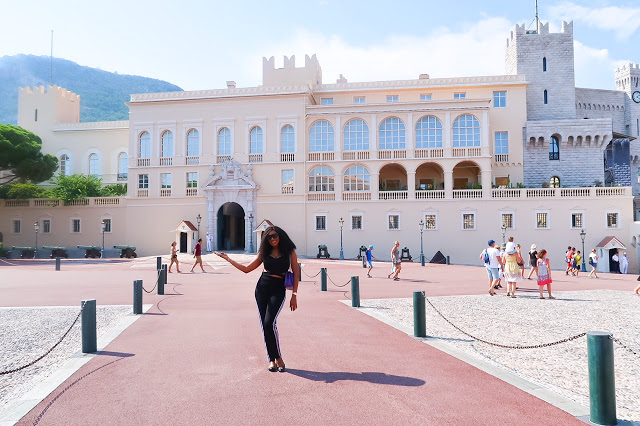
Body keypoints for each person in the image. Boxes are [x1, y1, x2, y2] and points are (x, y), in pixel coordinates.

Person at [214, 225, 299, 373]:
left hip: (278, 290)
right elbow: (247, 269)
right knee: (264, 325)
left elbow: (296, 273)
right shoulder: (264, 252)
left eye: (275, 236)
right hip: (262, 288)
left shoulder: (289, 251)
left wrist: (294, 295)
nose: (273, 239)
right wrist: (228, 259)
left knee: (269, 323)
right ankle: (272, 359)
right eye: (269, 237)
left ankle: (278, 358)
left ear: (280, 236)